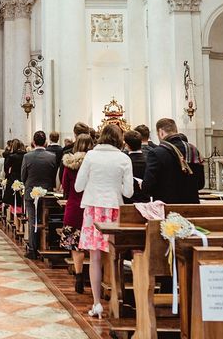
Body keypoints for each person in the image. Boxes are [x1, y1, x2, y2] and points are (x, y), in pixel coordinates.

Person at [75, 124, 133, 319]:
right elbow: (128, 192)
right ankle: (117, 301)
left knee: (95, 258)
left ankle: (97, 303)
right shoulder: (124, 158)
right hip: (115, 209)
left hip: (93, 207)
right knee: (115, 258)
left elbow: (78, 186)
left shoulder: (90, 156)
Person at [59, 133, 94, 294]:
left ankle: (79, 276)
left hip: (74, 206)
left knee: (75, 244)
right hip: (91, 207)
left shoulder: (70, 164)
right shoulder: (95, 163)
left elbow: (65, 187)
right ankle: (95, 277)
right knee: (93, 245)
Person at [141, 118, 204, 204]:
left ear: (161, 132)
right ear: (176, 130)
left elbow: (148, 187)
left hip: (167, 207)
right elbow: (201, 184)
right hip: (191, 206)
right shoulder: (193, 150)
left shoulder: (156, 153)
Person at [21, 131, 58, 260]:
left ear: (34, 142)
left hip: (31, 192)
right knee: (46, 219)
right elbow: (54, 175)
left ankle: (33, 249)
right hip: (47, 192)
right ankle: (47, 246)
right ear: (45, 142)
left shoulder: (27, 156)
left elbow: (23, 176)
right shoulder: (52, 156)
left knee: (33, 220)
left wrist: (29, 185)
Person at [123, 130, 148, 203]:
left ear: (127, 145)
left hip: (128, 200)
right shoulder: (149, 160)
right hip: (145, 200)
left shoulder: (124, 161)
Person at [2, 139, 26, 215]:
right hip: (23, 178)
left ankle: (14, 215)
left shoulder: (12, 156)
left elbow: (6, 167)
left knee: (13, 199)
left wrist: (8, 176)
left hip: (13, 178)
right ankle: (22, 213)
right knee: (20, 198)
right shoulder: (25, 155)